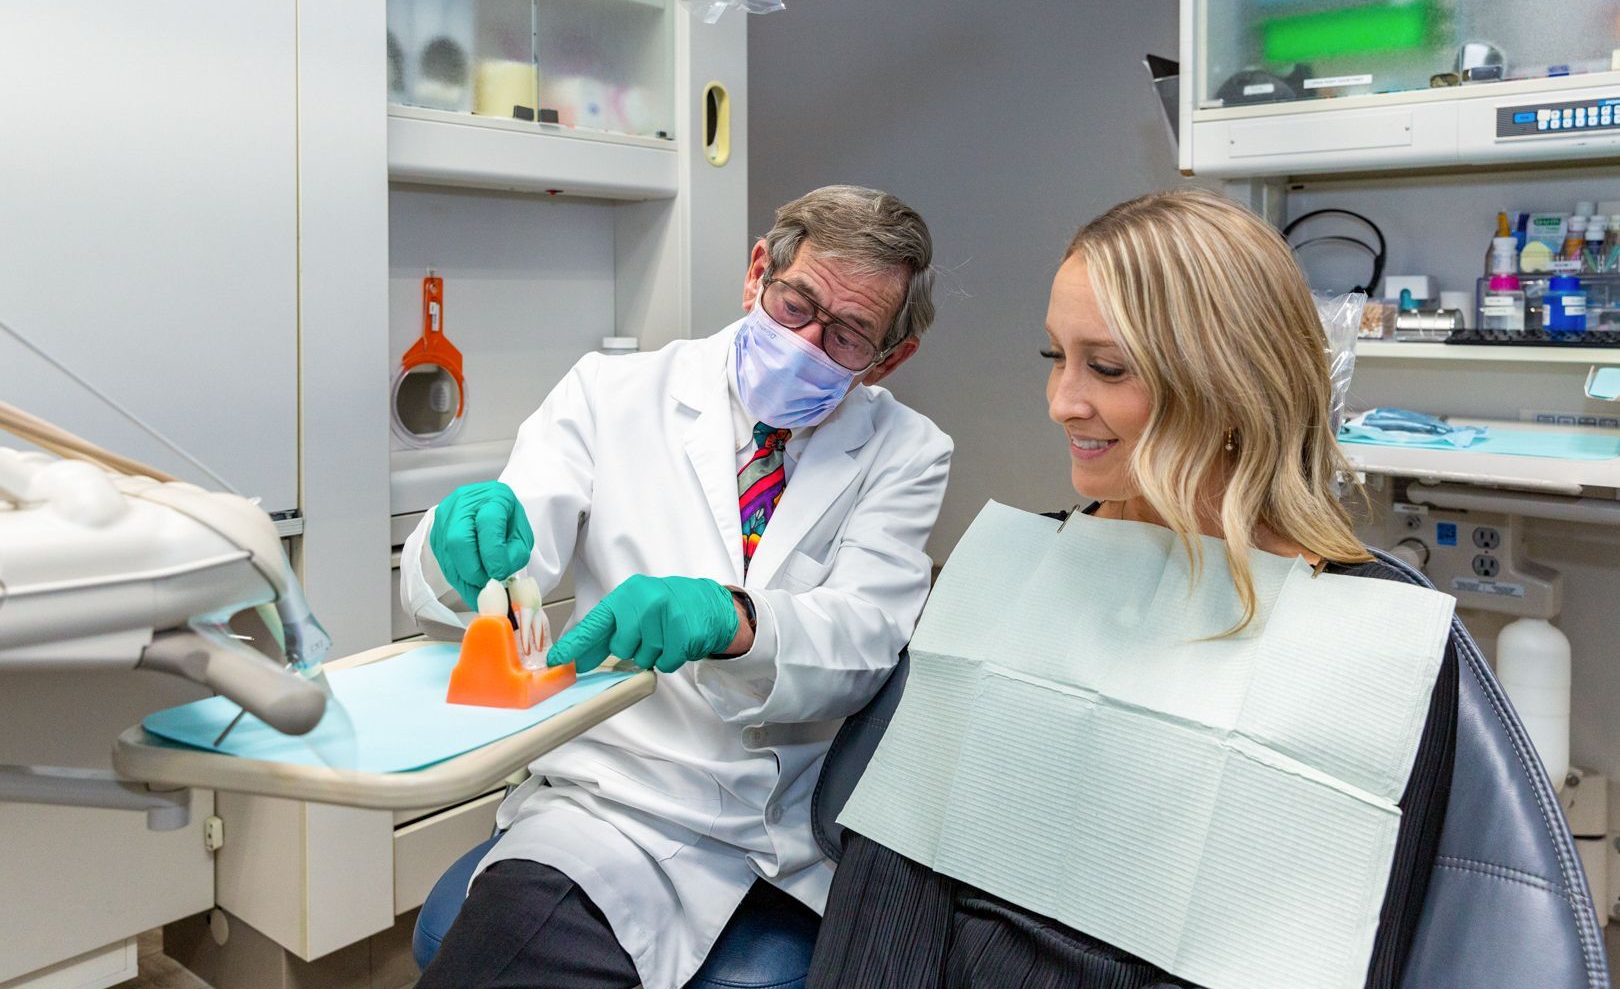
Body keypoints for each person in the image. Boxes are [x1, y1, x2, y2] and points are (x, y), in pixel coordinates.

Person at [807, 188, 1458, 989]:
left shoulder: (1368, 645)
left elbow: (1347, 949)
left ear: (1231, 381)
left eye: (1106, 367)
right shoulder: (1017, 582)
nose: (1061, 401)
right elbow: (890, 891)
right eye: (1057, 357)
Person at [403, 185, 953, 989]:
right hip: (608, 810)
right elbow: (507, 559)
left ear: (889, 358)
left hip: (783, 837)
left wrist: (733, 622)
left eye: (845, 336)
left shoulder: (907, 451)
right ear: (758, 271)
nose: (805, 340)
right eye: (795, 303)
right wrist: (463, 551)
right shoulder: (611, 394)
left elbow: (866, 641)